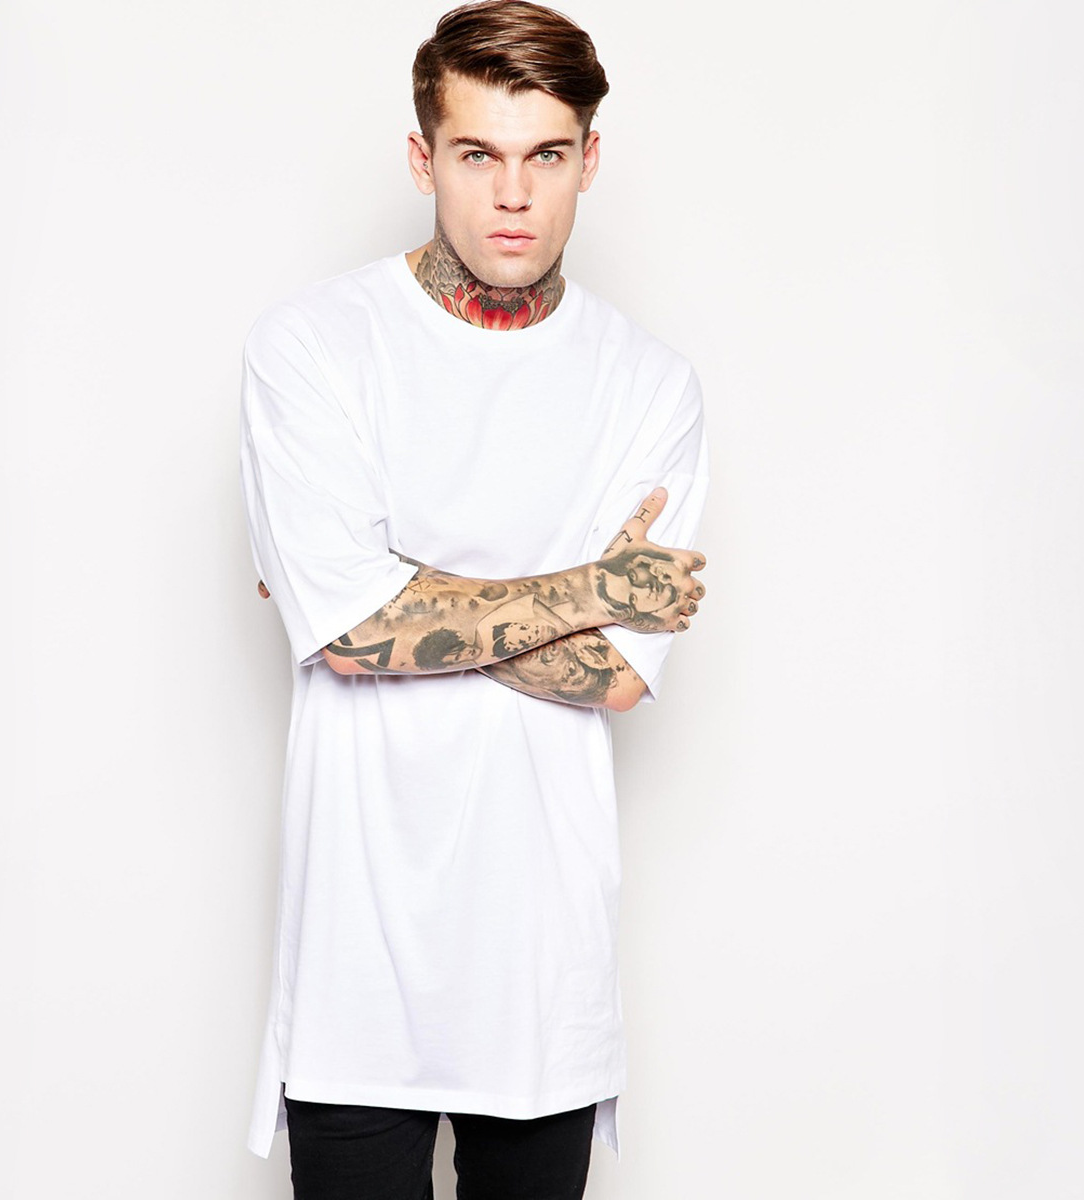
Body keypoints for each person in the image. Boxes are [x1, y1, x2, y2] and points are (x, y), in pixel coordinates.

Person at [238, 2, 711, 1195]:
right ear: (423, 158)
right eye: (477, 153)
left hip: (542, 977)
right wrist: (592, 587)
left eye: (545, 154)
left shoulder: (650, 387)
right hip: (355, 970)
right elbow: (355, 636)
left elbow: (617, 673)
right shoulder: (312, 348)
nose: (513, 194)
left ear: (589, 159)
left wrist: (379, 593)